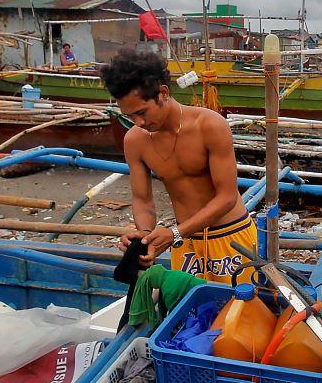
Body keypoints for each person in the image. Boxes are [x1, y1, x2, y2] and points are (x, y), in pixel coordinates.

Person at [102, 49, 257, 283]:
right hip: (185, 244)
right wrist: (145, 236)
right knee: (188, 315)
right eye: (130, 116)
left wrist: (174, 233)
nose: (139, 123)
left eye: (142, 112)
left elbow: (226, 197)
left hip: (231, 238)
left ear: (163, 93)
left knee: (239, 315)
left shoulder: (210, 125)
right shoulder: (135, 140)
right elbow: (143, 200)